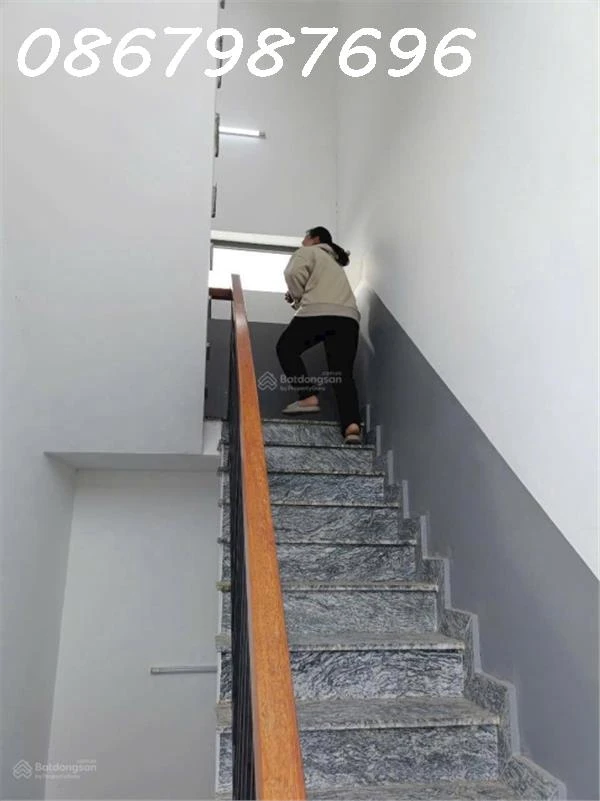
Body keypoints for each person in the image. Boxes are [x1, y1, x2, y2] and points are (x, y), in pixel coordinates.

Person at [276, 226, 362, 445]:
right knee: (342, 374)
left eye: (305, 237)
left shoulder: (309, 251)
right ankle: (352, 427)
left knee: (285, 348)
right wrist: (299, 296)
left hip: (318, 311)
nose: (302, 242)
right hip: (348, 317)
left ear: (315, 239)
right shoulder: (334, 263)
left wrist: (296, 297)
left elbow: (292, 273)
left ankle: (307, 396)